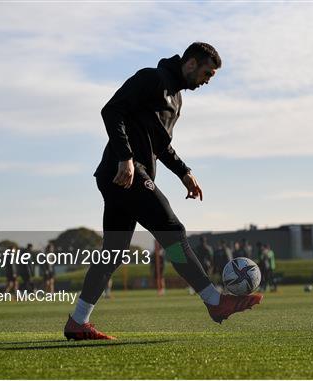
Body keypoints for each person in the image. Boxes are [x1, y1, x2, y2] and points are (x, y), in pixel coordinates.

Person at [64, 42, 263, 341]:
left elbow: (160, 144)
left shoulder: (177, 98)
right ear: (191, 64)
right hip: (125, 173)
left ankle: (78, 321)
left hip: (122, 177)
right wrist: (126, 158)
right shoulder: (152, 78)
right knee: (171, 230)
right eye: (207, 73)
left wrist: (184, 172)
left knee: (113, 253)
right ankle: (214, 301)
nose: (208, 80)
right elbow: (111, 110)